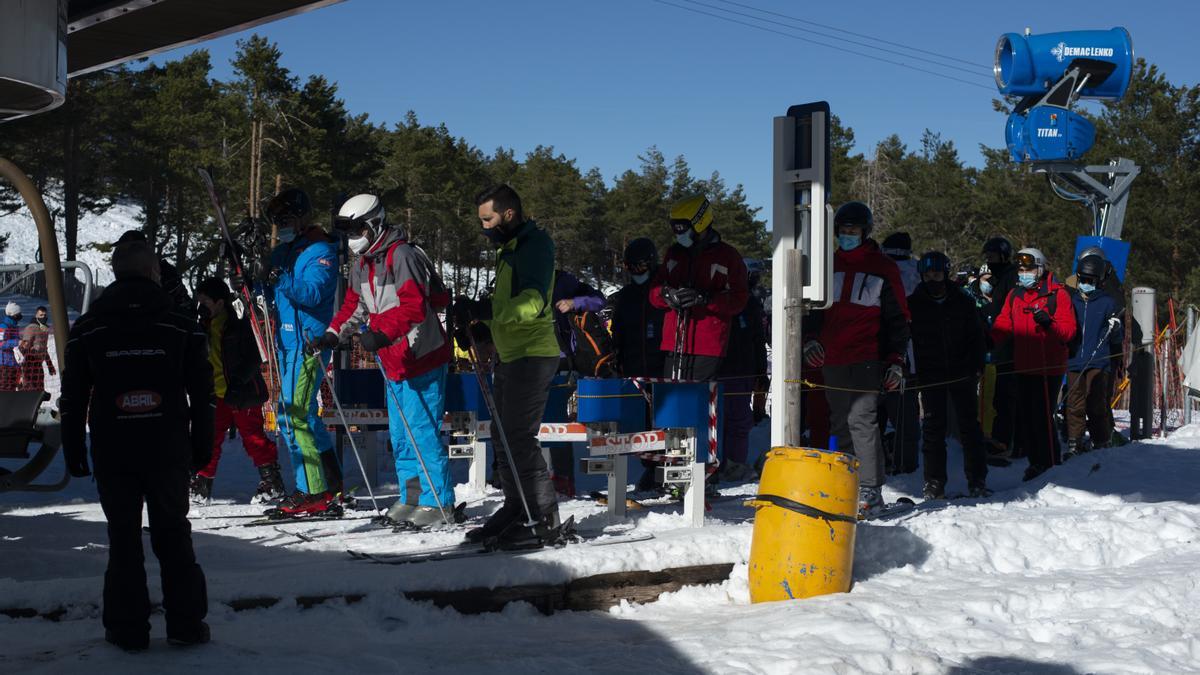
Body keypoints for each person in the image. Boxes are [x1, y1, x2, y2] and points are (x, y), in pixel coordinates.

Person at [59, 239, 212, 651]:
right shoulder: (179, 324)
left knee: (123, 538)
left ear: (114, 272)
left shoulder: (90, 326)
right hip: (167, 446)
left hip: (115, 447)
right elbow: (202, 391)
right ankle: (186, 624)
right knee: (173, 533)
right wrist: (203, 444)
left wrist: (73, 449)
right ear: (153, 273)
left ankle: (127, 630)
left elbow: (72, 397)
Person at [317, 193, 454, 529]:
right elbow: (354, 306)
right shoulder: (362, 264)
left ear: (374, 224)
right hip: (392, 360)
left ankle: (439, 502)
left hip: (420, 356)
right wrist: (333, 334)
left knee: (422, 432)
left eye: (357, 230)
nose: (352, 239)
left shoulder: (401, 256)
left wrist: (382, 334)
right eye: (348, 233)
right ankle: (412, 497)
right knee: (401, 435)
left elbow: (414, 307)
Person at [454, 184, 561, 548]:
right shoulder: (511, 248)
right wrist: (482, 328)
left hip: (534, 354)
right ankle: (518, 506)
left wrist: (485, 311)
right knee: (501, 434)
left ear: (509, 215)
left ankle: (543, 515)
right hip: (511, 353)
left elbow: (533, 302)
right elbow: (509, 306)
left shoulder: (534, 246)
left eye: (489, 219)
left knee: (518, 435)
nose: (484, 226)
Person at [802, 201, 910, 517]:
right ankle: (845, 483)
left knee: (862, 421)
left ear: (865, 232)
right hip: (832, 357)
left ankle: (870, 492)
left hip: (867, 357)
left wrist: (895, 360)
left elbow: (898, 319)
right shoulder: (827, 264)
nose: (847, 236)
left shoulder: (883, 267)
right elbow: (811, 312)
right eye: (843, 231)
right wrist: (810, 340)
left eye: (853, 231)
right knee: (839, 423)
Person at [252, 188, 343, 517]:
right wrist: (254, 271)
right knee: (298, 416)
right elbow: (265, 286)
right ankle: (331, 483)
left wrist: (281, 277)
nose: (283, 227)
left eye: (287, 220)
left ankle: (313, 490)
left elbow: (313, 292)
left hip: (309, 343)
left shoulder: (321, 250)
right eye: (278, 222)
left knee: (294, 416)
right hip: (286, 343)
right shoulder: (285, 251)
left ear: (303, 218)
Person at [190, 277, 285, 504]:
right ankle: (201, 483)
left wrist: (238, 383)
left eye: (206, 302)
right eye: (199, 302)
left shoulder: (238, 326)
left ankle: (271, 481)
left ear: (220, 303)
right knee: (209, 437)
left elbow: (253, 358)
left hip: (242, 394)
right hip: (215, 394)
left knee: (253, 437)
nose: (201, 307)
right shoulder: (200, 327)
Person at [908, 251, 990, 499]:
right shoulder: (915, 303)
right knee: (933, 428)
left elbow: (977, 336)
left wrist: (976, 365)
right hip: (930, 373)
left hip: (961, 372)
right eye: (929, 275)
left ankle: (977, 479)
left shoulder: (962, 301)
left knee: (969, 428)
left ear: (946, 274)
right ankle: (934, 482)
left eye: (938, 274)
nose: (934, 279)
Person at [991, 247, 1076, 481]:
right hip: (1024, 364)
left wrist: (1049, 323)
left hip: (1048, 367)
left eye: (1028, 269)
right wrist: (990, 339)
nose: (1023, 273)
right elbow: (1004, 323)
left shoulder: (1058, 295)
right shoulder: (1016, 295)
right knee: (1026, 416)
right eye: (1020, 269)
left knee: (1042, 416)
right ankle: (1035, 462)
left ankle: (1049, 463)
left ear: (1040, 269)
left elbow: (1068, 332)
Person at [649, 194, 748, 381]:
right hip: (673, 343)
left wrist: (706, 298)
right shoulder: (674, 254)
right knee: (671, 400)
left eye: (683, 229)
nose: (679, 235)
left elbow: (739, 299)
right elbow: (653, 292)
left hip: (708, 343)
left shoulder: (727, 256)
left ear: (700, 224)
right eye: (676, 229)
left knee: (697, 401)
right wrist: (666, 294)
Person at [609, 237, 669, 492]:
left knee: (664, 420)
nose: (636, 273)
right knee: (641, 424)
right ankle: (650, 468)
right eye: (630, 268)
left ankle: (665, 470)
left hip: (662, 367)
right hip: (634, 368)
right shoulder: (625, 297)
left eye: (640, 267)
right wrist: (617, 359)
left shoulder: (664, 292)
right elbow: (618, 333)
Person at [546, 268, 607, 497]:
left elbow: (599, 300)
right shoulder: (519, 280)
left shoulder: (564, 281)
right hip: (528, 360)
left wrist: (574, 302)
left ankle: (562, 478)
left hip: (561, 361)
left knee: (554, 420)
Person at [1064, 254, 1123, 457]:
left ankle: (1101, 440)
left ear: (1097, 281)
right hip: (1074, 359)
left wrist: (1115, 328)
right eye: (1082, 280)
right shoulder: (1071, 301)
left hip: (1098, 360)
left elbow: (1117, 337)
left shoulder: (1107, 302)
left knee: (1096, 402)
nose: (1085, 284)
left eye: (1089, 281)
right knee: (1074, 403)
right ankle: (1075, 441)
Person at [716, 261, 768, 482]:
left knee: (737, 420)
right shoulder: (721, 299)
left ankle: (734, 463)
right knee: (721, 420)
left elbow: (758, 341)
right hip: (721, 368)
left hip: (742, 370)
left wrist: (760, 372)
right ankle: (718, 464)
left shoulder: (752, 304)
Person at [877, 231, 920, 475]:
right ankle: (905, 464)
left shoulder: (880, 270)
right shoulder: (916, 272)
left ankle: (880, 463)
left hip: (881, 352)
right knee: (904, 417)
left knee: (874, 416)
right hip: (905, 355)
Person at [980, 236, 1020, 459]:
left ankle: (1005, 441)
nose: (989, 260)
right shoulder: (999, 278)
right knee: (998, 397)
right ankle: (1000, 438)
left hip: (1010, 346)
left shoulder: (1010, 277)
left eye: (992, 256)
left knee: (1006, 398)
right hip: (999, 345)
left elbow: (1004, 311)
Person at [17, 305, 56, 392]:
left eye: (45, 315)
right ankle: (24, 404)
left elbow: (44, 350)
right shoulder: (31, 328)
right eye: (41, 315)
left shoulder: (44, 329)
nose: (43, 317)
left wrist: (50, 366)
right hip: (30, 363)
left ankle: (37, 405)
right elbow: (23, 346)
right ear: (36, 316)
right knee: (29, 388)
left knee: (39, 389)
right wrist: (27, 355)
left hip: (38, 364)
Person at [1, 302, 24, 390]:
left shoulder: (14, 327)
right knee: (5, 389)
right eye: (18, 314)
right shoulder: (3, 326)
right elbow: (1, 344)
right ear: (13, 314)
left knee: (12, 389)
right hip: (4, 364)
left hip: (14, 364)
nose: (20, 316)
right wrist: (17, 342)